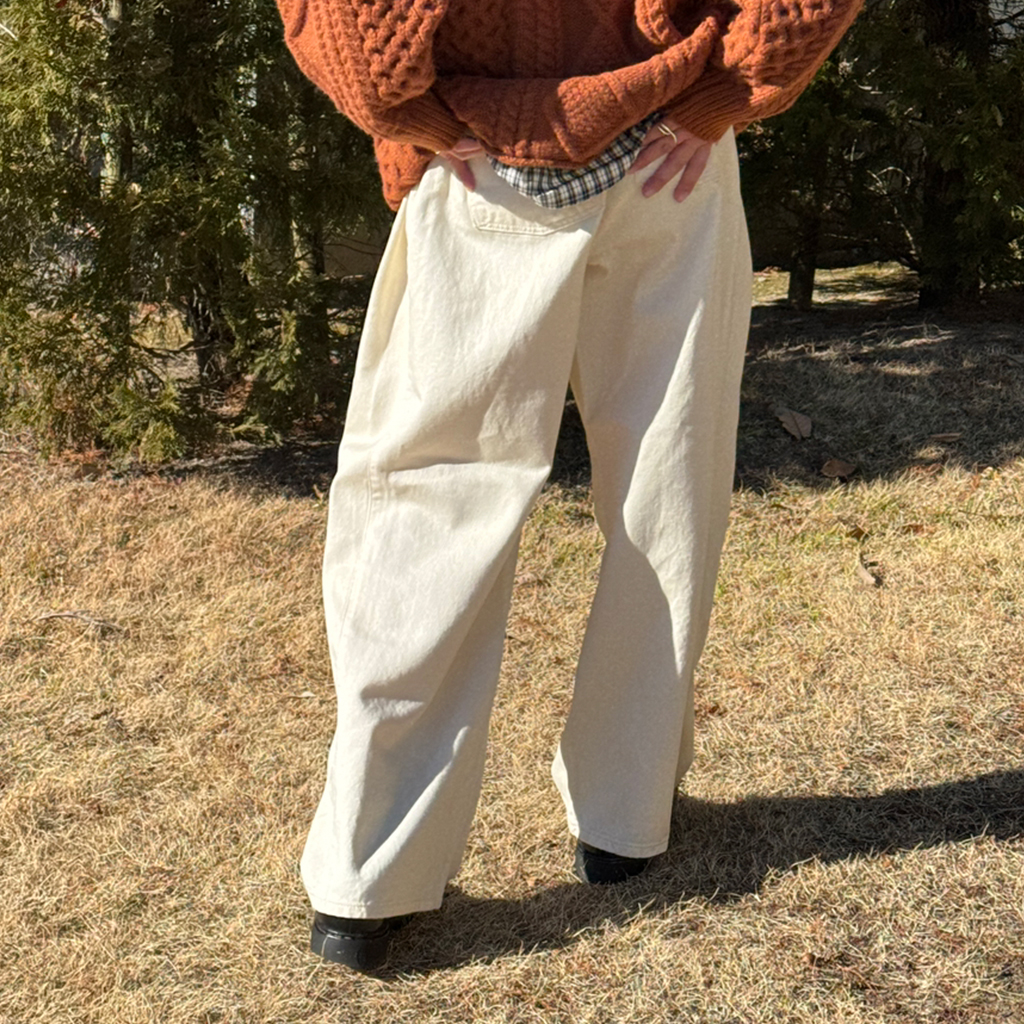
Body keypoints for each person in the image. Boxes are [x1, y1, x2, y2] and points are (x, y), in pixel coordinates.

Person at [275, 0, 863, 972]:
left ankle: (368, 875)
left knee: (425, 505)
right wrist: (727, 86)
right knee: (666, 484)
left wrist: (403, 110)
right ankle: (624, 815)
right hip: (666, 151)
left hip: (481, 156)